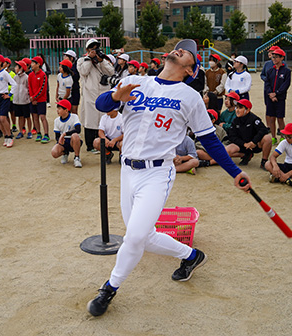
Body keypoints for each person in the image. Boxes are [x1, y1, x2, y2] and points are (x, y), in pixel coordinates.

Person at [88, 39, 251, 317]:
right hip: (127, 170)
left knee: (135, 236)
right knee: (144, 237)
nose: (179, 49)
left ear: (191, 69)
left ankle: (109, 288)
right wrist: (117, 97)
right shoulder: (137, 80)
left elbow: (209, 140)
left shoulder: (190, 97)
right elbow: (102, 104)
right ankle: (191, 256)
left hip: (157, 172)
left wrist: (235, 172)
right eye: (179, 47)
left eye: (186, 51)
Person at [77, 38, 114, 152]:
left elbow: (111, 72)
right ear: (87, 50)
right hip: (89, 94)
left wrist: (101, 60)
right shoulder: (82, 60)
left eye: (96, 48)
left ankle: (102, 144)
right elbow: (83, 72)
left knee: (102, 119)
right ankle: (90, 145)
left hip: (102, 93)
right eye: (92, 49)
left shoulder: (103, 60)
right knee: (90, 120)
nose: (94, 51)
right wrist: (89, 59)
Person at [225, 99, 273, 167]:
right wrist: (244, 144)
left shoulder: (254, 119)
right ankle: (246, 155)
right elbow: (232, 136)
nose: (237, 110)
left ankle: (264, 161)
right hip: (242, 145)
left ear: (247, 110)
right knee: (226, 151)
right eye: (237, 107)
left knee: (267, 138)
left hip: (254, 145)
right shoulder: (235, 121)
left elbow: (263, 130)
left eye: (240, 108)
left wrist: (253, 142)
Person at [263, 48, 291, 144]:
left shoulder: (286, 71)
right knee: (271, 117)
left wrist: (277, 93)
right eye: (273, 57)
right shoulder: (270, 70)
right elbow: (267, 83)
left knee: (280, 118)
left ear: (282, 58)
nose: (274, 59)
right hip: (270, 97)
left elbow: (286, 84)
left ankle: (282, 136)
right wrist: (271, 94)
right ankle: (273, 137)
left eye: (276, 57)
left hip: (280, 98)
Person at [51, 99, 83, 168]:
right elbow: (57, 136)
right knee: (54, 152)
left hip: (73, 140)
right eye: (57, 108)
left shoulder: (74, 117)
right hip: (64, 141)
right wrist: (59, 141)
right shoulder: (56, 121)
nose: (57, 110)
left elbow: (78, 129)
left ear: (66, 110)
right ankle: (65, 153)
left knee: (75, 136)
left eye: (59, 109)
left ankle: (77, 157)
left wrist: (65, 134)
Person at [28, 55, 50, 143]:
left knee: (42, 117)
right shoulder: (30, 75)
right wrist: (31, 97)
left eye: (33, 63)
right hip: (32, 99)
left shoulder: (43, 74)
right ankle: (38, 133)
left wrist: (35, 97)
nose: (31, 64)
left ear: (38, 64)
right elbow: (29, 87)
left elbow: (42, 88)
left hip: (41, 99)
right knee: (35, 117)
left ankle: (46, 134)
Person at [13, 59, 32, 140]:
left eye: (17, 66)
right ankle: (21, 131)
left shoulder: (27, 77)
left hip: (25, 101)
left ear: (21, 68)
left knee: (27, 116)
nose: (15, 68)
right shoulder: (15, 77)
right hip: (17, 101)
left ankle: (29, 131)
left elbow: (29, 88)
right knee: (20, 117)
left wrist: (29, 97)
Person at [63, 50, 81, 115]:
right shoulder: (63, 66)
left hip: (74, 90)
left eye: (66, 56)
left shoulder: (76, 67)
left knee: (74, 110)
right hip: (66, 91)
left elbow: (76, 77)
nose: (64, 57)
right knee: (66, 111)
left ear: (71, 58)